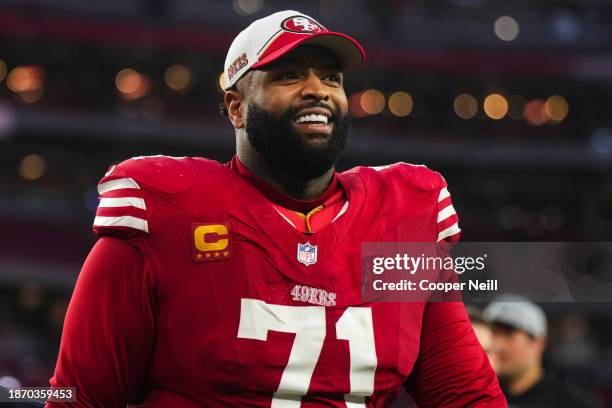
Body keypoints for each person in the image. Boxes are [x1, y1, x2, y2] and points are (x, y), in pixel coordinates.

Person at [47, 10, 505, 407]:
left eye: (331, 78)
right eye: (288, 75)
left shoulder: (401, 220)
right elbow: (81, 397)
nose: (317, 90)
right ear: (236, 109)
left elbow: (463, 395)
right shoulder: (166, 210)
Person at [484, 294, 599, 408]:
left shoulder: (571, 403)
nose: (496, 345)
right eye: (492, 334)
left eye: (508, 334)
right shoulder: (476, 395)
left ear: (537, 343)